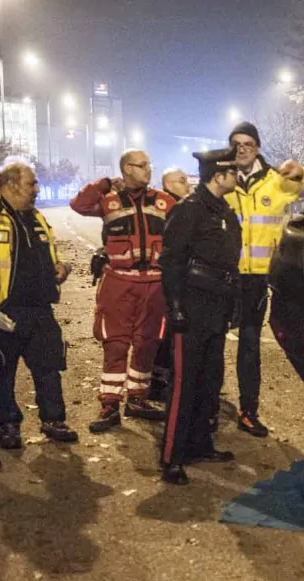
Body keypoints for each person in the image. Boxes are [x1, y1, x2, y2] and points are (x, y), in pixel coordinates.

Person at [225, 121, 304, 438]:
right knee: (212, 345)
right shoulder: (222, 181)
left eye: (247, 144)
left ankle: (248, 412)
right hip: (224, 278)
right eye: (236, 144)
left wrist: (303, 174)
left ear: (257, 147)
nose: (241, 149)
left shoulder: (276, 182)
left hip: (256, 280)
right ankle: (207, 407)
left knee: (250, 348)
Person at [0, 161, 79, 451]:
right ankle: (8, 424)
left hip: (40, 308)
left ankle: (53, 420)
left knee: (48, 366)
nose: (37, 188)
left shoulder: (36, 216)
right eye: (31, 183)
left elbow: (50, 254)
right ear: (10, 185)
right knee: (1, 370)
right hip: (2, 310)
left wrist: (61, 268)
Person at [70, 149, 176, 433]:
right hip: (119, 280)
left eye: (149, 164)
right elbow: (78, 204)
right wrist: (103, 183)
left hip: (154, 283)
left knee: (148, 342)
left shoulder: (164, 201)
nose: (148, 170)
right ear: (126, 169)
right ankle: (109, 404)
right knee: (115, 343)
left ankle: (137, 399)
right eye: (141, 165)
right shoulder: (109, 199)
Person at [157, 147, 241, 485]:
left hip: (217, 308)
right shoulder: (189, 210)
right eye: (233, 172)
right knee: (183, 383)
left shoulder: (223, 211)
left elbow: (228, 262)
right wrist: (174, 305)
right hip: (191, 307)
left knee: (209, 381)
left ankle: (200, 443)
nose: (238, 176)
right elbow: (171, 261)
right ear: (218, 176)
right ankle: (172, 457)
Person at [147, 166, 191, 402]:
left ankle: (161, 379)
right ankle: (160, 382)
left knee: (167, 333)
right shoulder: (172, 209)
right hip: (169, 280)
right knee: (167, 334)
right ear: (168, 184)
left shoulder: (172, 207)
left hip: (169, 278)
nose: (188, 184)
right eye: (182, 180)